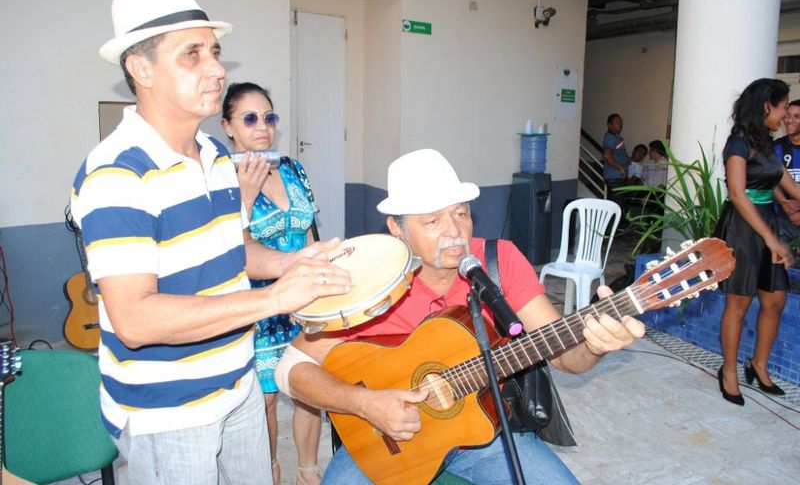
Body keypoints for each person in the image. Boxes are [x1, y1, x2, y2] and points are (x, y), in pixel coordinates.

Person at [70, 0, 352, 484]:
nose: (217, 67)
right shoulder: (116, 173)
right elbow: (135, 318)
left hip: (237, 382)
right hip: (169, 412)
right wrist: (274, 300)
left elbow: (233, 251)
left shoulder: (217, 156)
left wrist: (294, 264)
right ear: (141, 69)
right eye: (192, 54)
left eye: (215, 51)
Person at [275, 149, 646, 484]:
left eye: (461, 213)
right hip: (384, 440)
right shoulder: (366, 281)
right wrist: (366, 404)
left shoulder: (500, 264)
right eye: (432, 221)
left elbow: (566, 356)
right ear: (396, 227)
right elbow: (291, 369)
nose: (455, 232)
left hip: (486, 434)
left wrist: (595, 345)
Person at [222, 82, 322, 485]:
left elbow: (311, 233)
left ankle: (308, 473)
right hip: (259, 307)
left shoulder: (294, 169)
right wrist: (244, 196)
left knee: (310, 391)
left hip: (305, 301)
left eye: (268, 117)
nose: (262, 126)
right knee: (263, 399)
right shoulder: (219, 178)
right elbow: (223, 248)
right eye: (249, 118)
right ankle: (270, 473)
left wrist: (322, 290)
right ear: (228, 126)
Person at [712, 78, 800, 405]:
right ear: (767, 106)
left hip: (766, 223)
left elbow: (791, 188)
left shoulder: (766, 144)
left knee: (775, 300)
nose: (784, 115)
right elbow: (737, 194)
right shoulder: (738, 143)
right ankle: (729, 371)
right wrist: (771, 239)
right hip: (744, 229)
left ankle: (758, 365)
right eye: (782, 107)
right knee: (740, 304)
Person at [773, 99, 800, 261]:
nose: (790, 120)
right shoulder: (775, 147)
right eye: (788, 115)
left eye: (797, 117)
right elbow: (771, 180)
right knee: (781, 268)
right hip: (781, 218)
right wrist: (787, 205)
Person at [602, 113, 631, 221]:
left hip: (619, 178)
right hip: (614, 178)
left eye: (621, 122)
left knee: (619, 205)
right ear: (610, 125)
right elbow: (606, 155)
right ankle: (609, 233)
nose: (620, 124)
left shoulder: (617, 138)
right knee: (615, 206)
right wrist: (620, 167)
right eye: (617, 122)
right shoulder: (610, 138)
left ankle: (615, 232)